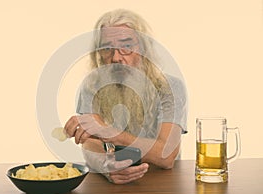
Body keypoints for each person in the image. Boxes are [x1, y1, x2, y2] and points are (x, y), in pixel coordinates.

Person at [63, 9, 187, 184]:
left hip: (161, 185)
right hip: (110, 189)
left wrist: (110, 133)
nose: (116, 58)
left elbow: (166, 156)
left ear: (144, 49)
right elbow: (91, 143)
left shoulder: (170, 87)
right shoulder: (91, 86)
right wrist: (107, 167)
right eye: (107, 49)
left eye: (127, 46)